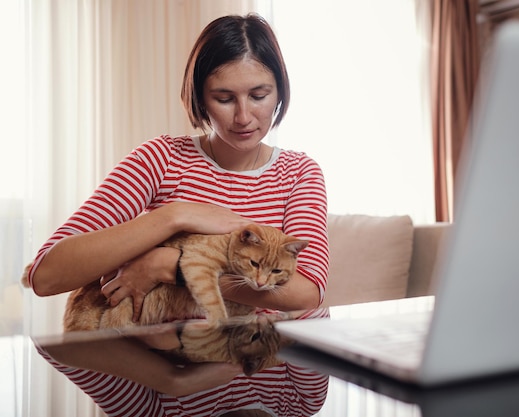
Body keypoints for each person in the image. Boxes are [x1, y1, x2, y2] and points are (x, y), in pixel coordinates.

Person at [26, 13, 329, 417]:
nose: (243, 117)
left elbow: (309, 294)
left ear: (280, 92)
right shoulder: (160, 159)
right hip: (171, 392)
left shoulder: (299, 173)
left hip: (266, 383)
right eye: (224, 98)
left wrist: (173, 266)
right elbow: (45, 276)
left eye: (259, 94)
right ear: (199, 97)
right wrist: (172, 216)